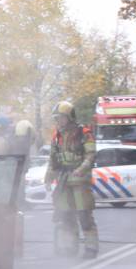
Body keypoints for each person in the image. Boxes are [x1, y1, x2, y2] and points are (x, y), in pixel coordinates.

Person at [44, 101, 99, 258]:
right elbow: (53, 160)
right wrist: (48, 177)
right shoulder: (57, 136)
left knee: (84, 215)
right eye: (57, 118)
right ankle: (70, 247)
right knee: (66, 215)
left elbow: (91, 155)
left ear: (70, 117)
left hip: (80, 181)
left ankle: (91, 248)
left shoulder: (84, 133)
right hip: (64, 180)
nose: (59, 121)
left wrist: (81, 170)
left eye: (61, 117)